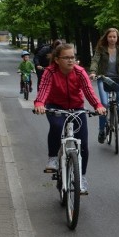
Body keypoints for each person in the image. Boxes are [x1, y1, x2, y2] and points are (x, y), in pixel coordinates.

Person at [33, 43, 105, 194]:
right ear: (57, 60)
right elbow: (44, 88)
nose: (71, 60)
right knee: (57, 127)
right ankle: (53, 158)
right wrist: (39, 103)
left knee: (83, 144)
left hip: (76, 108)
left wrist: (98, 105)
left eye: (72, 57)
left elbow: (88, 91)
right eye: (66, 58)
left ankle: (82, 177)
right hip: (55, 106)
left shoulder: (79, 72)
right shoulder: (50, 71)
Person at [89, 28, 119, 143]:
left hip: (118, 78)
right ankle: (101, 130)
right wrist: (93, 72)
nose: (112, 39)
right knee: (104, 104)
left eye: (114, 37)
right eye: (110, 37)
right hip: (103, 78)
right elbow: (95, 60)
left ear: (117, 38)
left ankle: (118, 112)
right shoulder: (101, 48)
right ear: (106, 37)